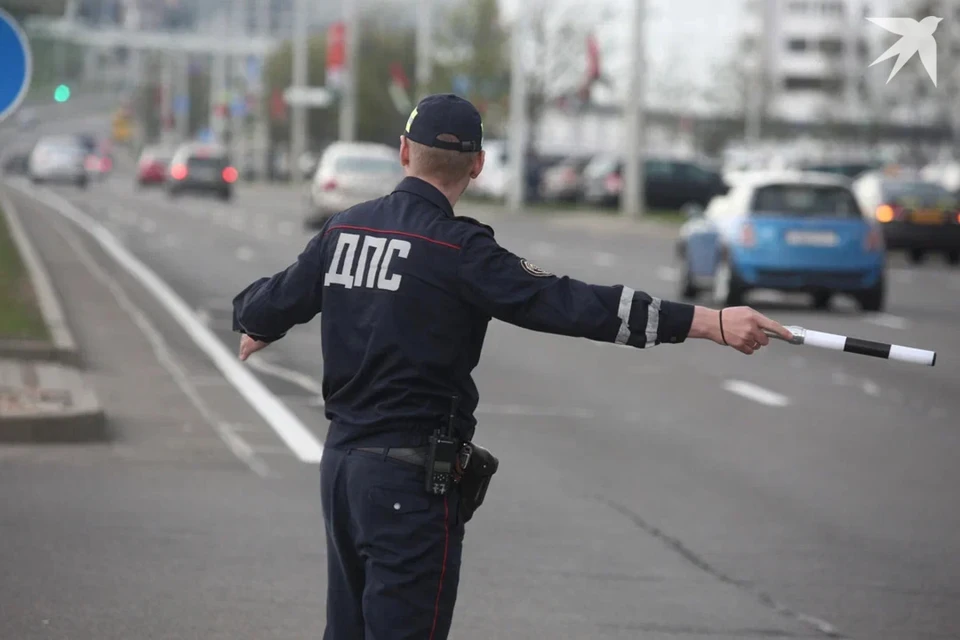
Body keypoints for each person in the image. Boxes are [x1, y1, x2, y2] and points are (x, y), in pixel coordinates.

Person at [231, 93, 793, 639]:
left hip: (343, 471)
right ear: (477, 165)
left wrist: (260, 324)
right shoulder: (461, 250)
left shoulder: (344, 229)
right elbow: (573, 304)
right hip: (407, 480)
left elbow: (265, 303)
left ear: (405, 152)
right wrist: (707, 322)